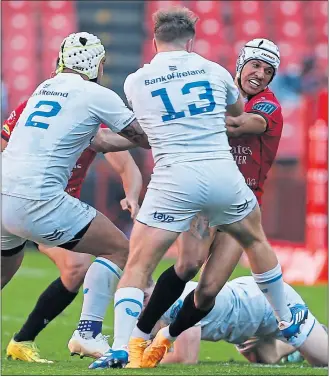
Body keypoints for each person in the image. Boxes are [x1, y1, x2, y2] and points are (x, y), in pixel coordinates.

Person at [99, 8, 307, 369]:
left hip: (226, 192)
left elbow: (245, 123)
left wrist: (185, 122)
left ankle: (167, 336)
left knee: (207, 289)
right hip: (215, 187)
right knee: (187, 264)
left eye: (268, 71)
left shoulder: (268, 105)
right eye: (255, 66)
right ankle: (140, 335)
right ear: (241, 65)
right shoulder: (214, 77)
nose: (259, 74)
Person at [1, 32, 149, 363]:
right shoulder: (96, 94)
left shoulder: (43, 90)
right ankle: (88, 332)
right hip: (40, 201)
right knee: (121, 249)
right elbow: (141, 137)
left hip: (4, 193)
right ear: (98, 64)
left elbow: (105, 144)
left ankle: (27, 339)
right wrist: (173, 127)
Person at [91, 277, 327, 369]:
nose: (138, 309)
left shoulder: (176, 304)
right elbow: (142, 342)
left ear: (153, 290)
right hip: (247, 324)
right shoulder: (156, 305)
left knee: (323, 363)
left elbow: (186, 358)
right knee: (263, 360)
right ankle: (294, 347)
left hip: (267, 304)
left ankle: (312, 334)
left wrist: (134, 360)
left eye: (142, 298)